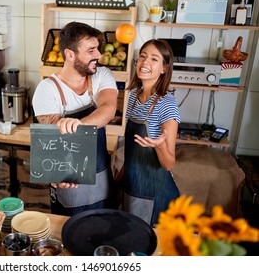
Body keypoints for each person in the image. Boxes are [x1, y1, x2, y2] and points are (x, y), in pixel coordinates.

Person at [32, 21, 118, 216]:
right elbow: (52, 143)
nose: (98, 55)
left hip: (101, 176)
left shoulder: (101, 75)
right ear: (70, 54)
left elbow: (108, 109)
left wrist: (79, 124)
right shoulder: (47, 90)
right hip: (71, 181)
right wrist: (56, 175)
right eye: (91, 50)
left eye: (97, 49)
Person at [120, 39, 181, 226]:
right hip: (132, 186)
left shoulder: (166, 104)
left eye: (154, 59)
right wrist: (120, 176)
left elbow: (169, 163)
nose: (145, 62)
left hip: (155, 193)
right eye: (143, 56)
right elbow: (130, 146)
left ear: (164, 68)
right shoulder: (132, 97)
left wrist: (160, 145)